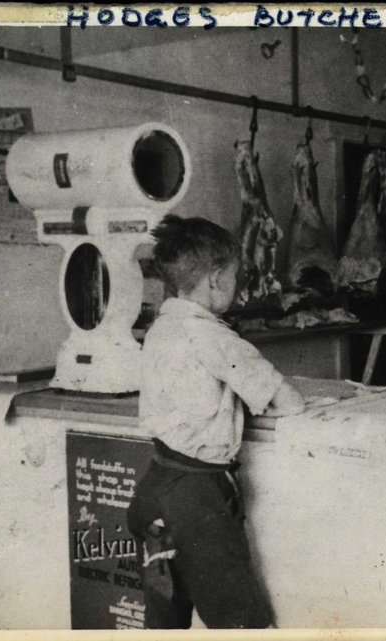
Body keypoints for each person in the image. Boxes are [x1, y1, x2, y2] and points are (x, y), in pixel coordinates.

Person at [126, 214, 306, 629]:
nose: (237, 285)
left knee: (164, 628)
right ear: (216, 279)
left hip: (154, 487)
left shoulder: (159, 329)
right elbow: (289, 402)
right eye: (236, 276)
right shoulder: (214, 337)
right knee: (243, 627)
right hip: (196, 498)